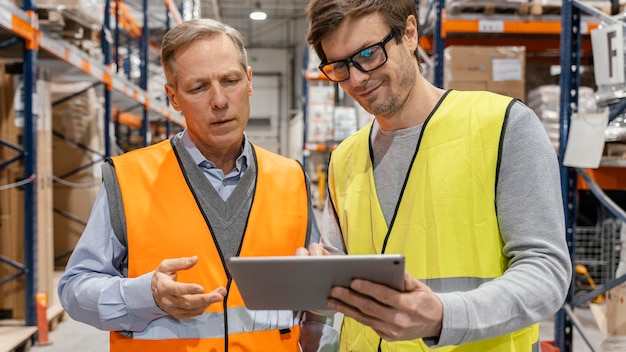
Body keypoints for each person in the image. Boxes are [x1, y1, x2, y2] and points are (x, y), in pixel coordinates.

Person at [297, 0, 572, 351]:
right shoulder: (345, 158)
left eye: (368, 54)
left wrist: (444, 316)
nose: (357, 78)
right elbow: (343, 286)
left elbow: (546, 273)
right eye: (339, 66)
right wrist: (317, 281)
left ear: (409, 33)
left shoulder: (503, 126)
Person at [58, 18, 338, 352]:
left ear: (249, 81)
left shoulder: (290, 178)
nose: (219, 100)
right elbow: (75, 290)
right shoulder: (128, 178)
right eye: (198, 88)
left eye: (230, 81)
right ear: (173, 97)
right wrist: (145, 295)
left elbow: (315, 304)